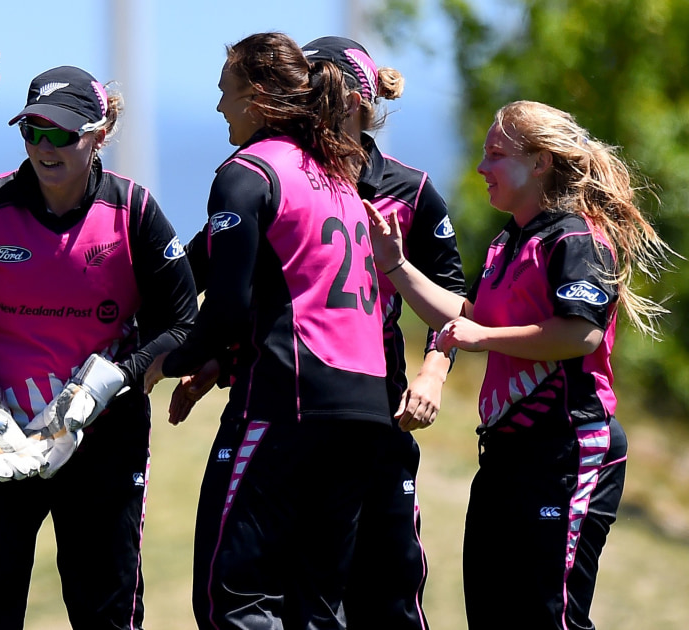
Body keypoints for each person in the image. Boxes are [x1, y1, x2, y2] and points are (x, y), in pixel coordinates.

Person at [364, 100, 675, 629]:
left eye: (495, 155)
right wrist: (394, 264)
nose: (481, 168)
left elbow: (581, 333)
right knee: (490, 612)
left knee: (547, 617)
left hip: (567, 449)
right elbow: (469, 316)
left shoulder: (576, 238)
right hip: (507, 455)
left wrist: (484, 336)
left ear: (539, 164)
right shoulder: (508, 242)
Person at [0, 65, 197, 630]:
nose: (44, 147)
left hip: (102, 441)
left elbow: (180, 322)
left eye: (63, 134)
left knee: (107, 612)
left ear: (100, 133)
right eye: (33, 132)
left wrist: (112, 380)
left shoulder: (135, 211)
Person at [144, 32, 394, 630]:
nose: (219, 107)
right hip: (365, 410)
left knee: (236, 601)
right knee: (318, 607)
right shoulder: (337, 173)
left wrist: (148, 363)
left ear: (256, 96)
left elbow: (226, 310)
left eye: (226, 92)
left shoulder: (248, 172)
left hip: (288, 405)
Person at [297, 36, 466, 630]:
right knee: (308, 594)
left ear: (345, 98)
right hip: (301, 412)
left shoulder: (410, 189)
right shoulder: (284, 177)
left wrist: (432, 373)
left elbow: (453, 306)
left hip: (384, 412)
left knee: (387, 589)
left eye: (307, 85)